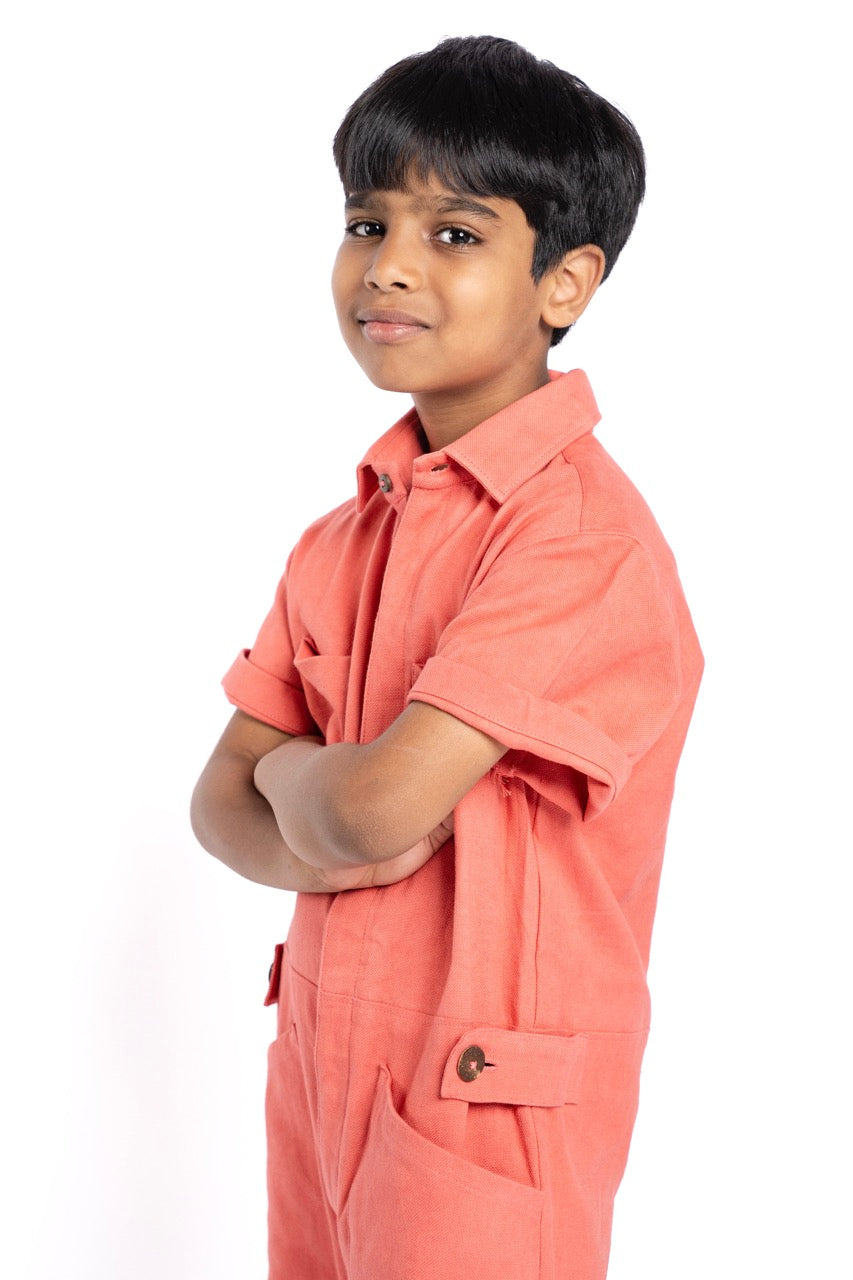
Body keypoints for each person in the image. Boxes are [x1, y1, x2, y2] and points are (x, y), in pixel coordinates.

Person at [191, 34, 703, 1280]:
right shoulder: (341, 536)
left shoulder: (574, 539)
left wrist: (305, 784)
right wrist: (311, 796)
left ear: (566, 282)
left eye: (455, 235)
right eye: (367, 223)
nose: (391, 268)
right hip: (321, 1074)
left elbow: (371, 811)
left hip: (484, 1103)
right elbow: (217, 807)